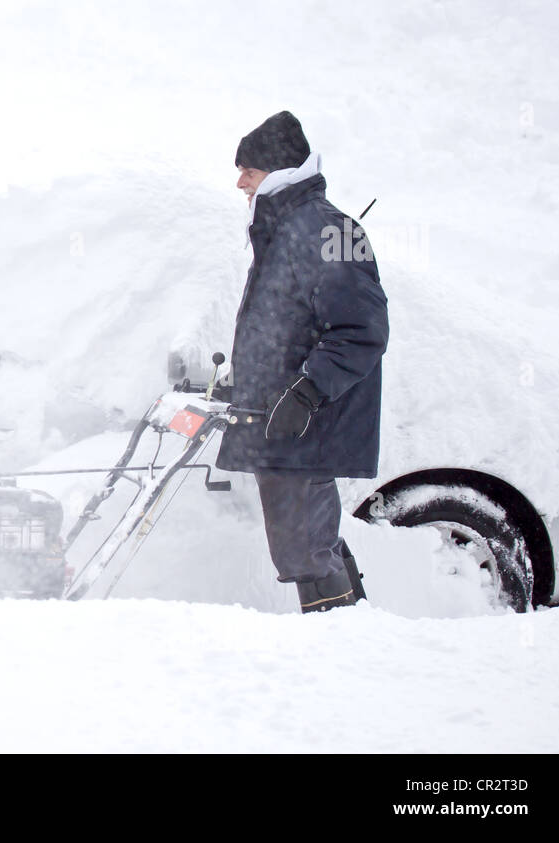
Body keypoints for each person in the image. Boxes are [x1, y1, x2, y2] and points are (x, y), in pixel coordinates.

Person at [214, 111, 389, 613]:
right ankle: (356, 633)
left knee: (304, 547)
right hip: (284, 422)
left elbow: (362, 330)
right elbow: (287, 326)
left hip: (307, 422)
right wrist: (242, 381)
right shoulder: (288, 227)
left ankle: (335, 645)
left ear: (278, 168)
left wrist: (307, 391)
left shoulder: (324, 228)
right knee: (307, 541)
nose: (240, 180)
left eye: (248, 168)